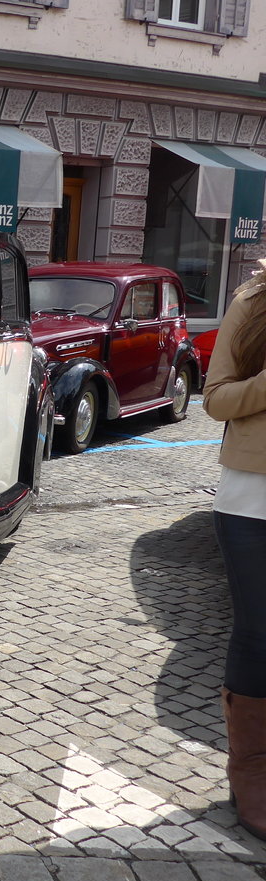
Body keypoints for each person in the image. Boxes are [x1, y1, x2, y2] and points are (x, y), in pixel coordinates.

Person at [202, 256, 266, 842]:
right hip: (252, 502)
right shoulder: (253, 304)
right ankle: (250, 771)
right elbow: (215, 399)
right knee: (258, 631)